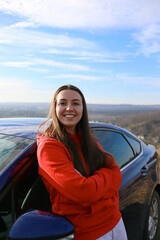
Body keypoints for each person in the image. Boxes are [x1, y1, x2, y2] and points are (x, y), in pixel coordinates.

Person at [37, 84, 128, 240]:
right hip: (88, 232)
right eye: (63, 103)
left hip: (114, 220)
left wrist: (94, 181)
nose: (69, 108)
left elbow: (116, 172)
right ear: (55, 107)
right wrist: (105, 176)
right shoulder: (50, 147)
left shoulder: (87, 138)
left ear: (83, 109)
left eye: (76, 103)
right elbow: (85, 192)